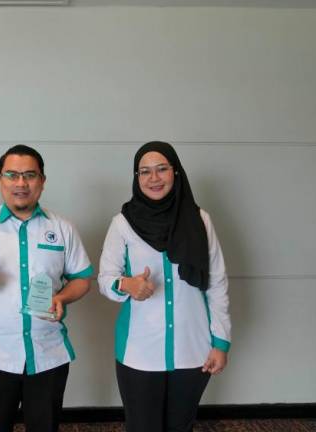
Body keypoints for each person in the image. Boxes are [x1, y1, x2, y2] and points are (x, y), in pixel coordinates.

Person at [0, 145, 93, 432]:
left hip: (48, 354)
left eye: (29, 175)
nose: (21, 183)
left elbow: (83, 279)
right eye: (12, 175)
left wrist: (62, 297)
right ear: (0, 180)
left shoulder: (62, 228)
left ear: (42, 181)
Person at [97, 141, 231, 432]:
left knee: (180, 426)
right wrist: (127, 284)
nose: (153, 178)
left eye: (161, 169)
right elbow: (106, 279)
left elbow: (217, 282)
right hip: (139, 351)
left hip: (193, 349)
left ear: (176, 173)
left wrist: (220, 343)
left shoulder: (200, 220)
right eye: (144, 171)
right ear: (136, 177)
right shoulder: (122, 224)